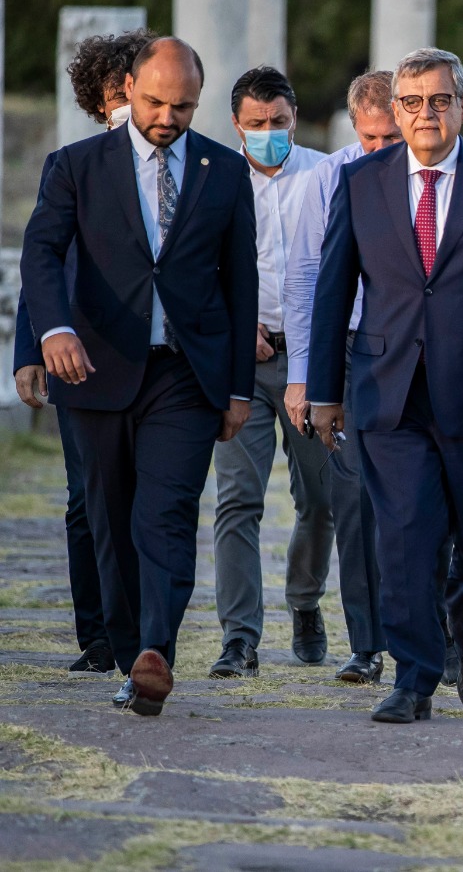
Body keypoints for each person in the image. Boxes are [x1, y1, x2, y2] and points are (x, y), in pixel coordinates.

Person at [308, 48, 463, 724]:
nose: (426, 114)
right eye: (413, 102)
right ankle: (414, 678)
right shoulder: (362, 182)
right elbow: (333, 291)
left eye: (439, 101)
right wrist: (323, 386)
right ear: (395, 111)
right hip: (385, 394)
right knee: (404, 539)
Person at [20, 37, 257, 715]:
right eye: (154, 101)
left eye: (182, 106)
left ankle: (156, 650)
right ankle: (129, 657)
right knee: (109, 521)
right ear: (128, 87)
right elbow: (42, 251)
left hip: (184, 375)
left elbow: (242, 283)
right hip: (94, 367)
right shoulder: (76, 166)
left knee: (168, 513)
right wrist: (52, 331)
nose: (167, 116)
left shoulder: (222, 170)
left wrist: (238, 386)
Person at [12, 27, 154, 675]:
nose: (127, 99)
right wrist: (29, 348)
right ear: (99, 100)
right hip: (77, 354)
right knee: (84, 501)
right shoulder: (70, 166)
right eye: (115, 90)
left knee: (143, 501)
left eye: (136, 86)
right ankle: (96, 633)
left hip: (149, 357)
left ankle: (141, 628)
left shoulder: (172, 170)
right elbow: (44, 262)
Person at [206, 66, 345, 680]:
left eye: (279, 123)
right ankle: (240, 638)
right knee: (238, 499)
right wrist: (235, 329)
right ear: (236, 124)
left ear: (296, 119)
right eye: (257, 125)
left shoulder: (326, 174)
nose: (269, 134)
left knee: (320, 497)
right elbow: (192, 268)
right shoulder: (213, 180)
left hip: (311, 359)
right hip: (241, 360)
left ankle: (305, 600)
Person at [281, 71, 401, 685]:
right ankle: (366, 644)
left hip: (417, 352)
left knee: (422, 501)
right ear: (353, 127)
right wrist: (306, 378)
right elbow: (305, 281)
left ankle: (435, 633)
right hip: (352, 355)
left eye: (392, 136)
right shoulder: (334, 177)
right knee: (351, 499)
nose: (381, 149)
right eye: (370, 137)